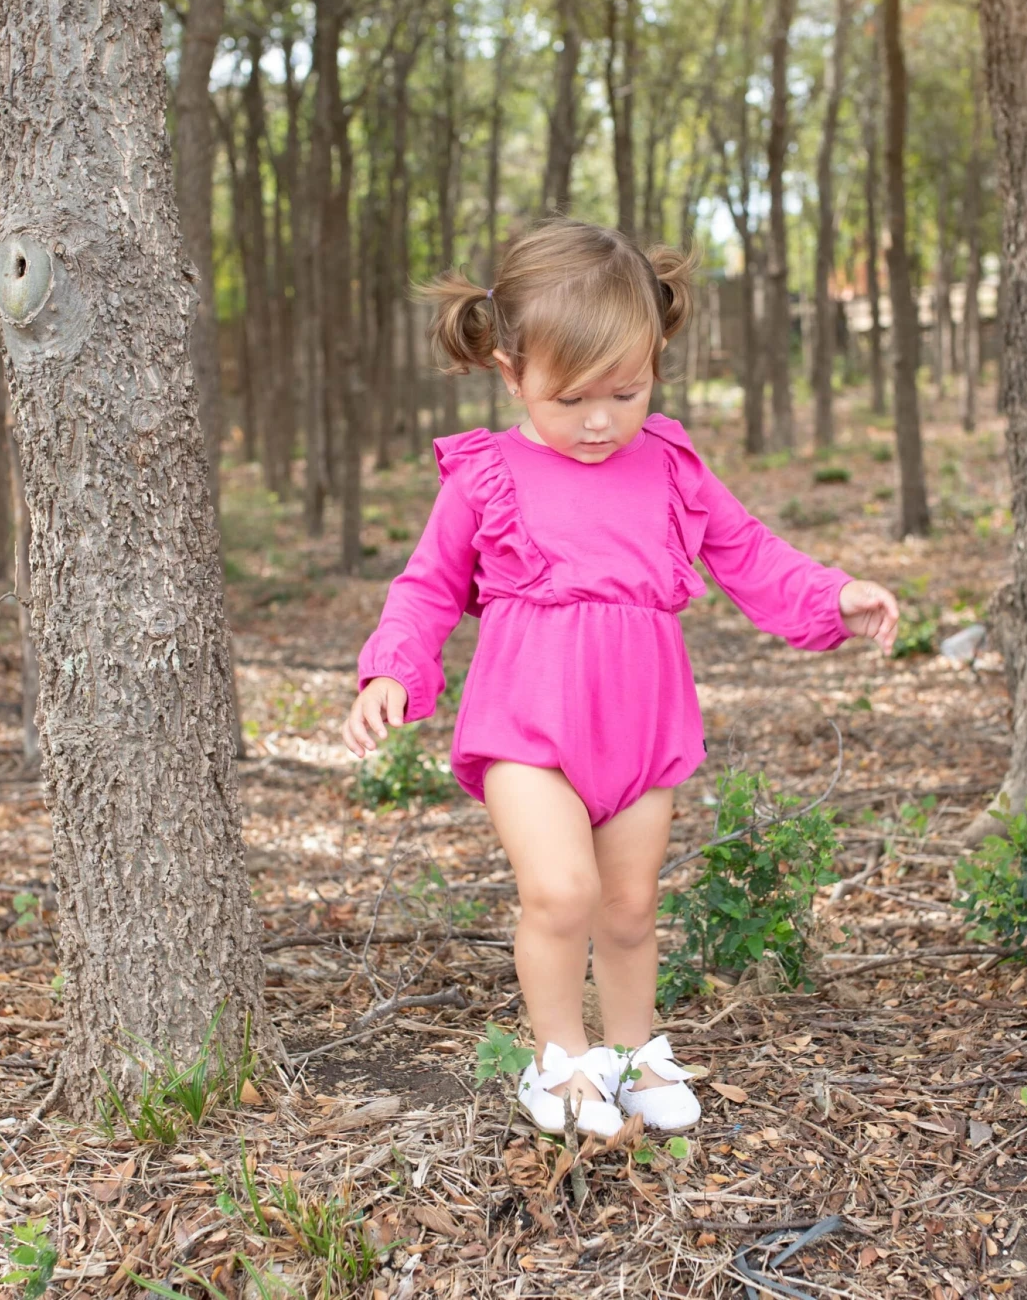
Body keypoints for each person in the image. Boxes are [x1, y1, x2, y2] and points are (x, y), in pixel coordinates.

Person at [342, 218, 898, 1138]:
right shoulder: (487, 475)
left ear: (655, 359)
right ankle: (560, 1063)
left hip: (643, 727)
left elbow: (747, 552)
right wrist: (391, 672)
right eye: (571, 398)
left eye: (626, 391)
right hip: (528, 724)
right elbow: (426, 587)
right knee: (563, 893)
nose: (600, 420)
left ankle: (635, 1056)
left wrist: (835, 596)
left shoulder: (670, 461)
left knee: (631, 905)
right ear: (512, 371)